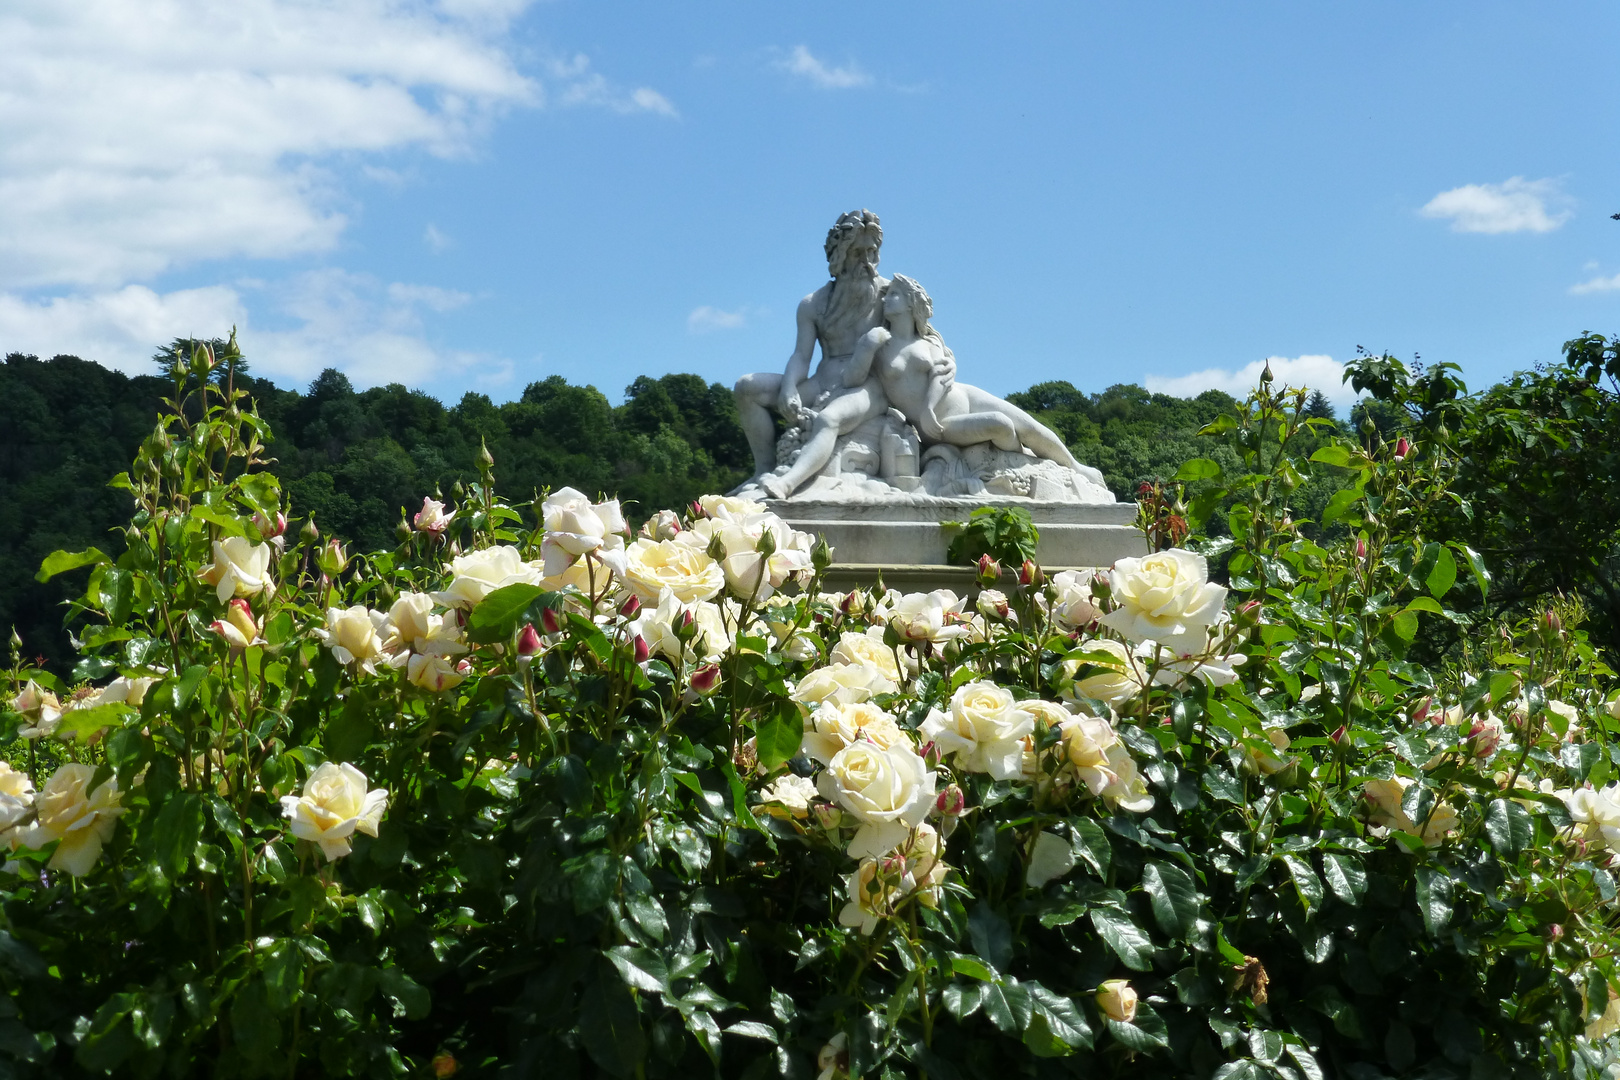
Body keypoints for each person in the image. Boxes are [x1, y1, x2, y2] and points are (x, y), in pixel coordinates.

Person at [732, 211, 954, 498]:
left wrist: (949, 363)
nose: (866, 261)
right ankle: (763, 470)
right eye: (857, 252)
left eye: (872, 252)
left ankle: (790, 481)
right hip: (823, 380)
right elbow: (802, 355)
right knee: (747, 388)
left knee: (831, 418)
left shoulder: (889, 294)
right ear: (839, 256)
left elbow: (925, 331)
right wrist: (789, 388)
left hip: (871, 384)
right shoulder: (813, 304)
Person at [845, 274, 1105, 487]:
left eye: (894, 294)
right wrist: (866, 348)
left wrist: (927, 406)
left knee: (1029, 425)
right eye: (887, 294)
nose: (887, 300)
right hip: (939, 425)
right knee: (1002, 425)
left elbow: (941, 374)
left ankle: (1074, 465)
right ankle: (1021, 457)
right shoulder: (879, 343)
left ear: (911, 304)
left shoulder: (929, 340)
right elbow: (852, 380)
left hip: (962, 396)